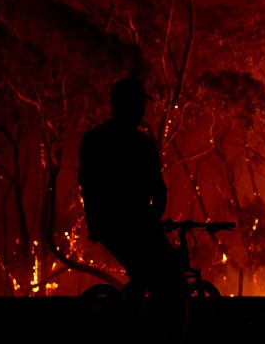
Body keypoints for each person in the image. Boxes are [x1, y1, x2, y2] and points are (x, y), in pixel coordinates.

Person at [78, 77, 186, 342]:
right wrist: (152, 221)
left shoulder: (93, 140)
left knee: (142, 274)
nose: (142, 111)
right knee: (172, 281)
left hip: (108, 225)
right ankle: (165, 337)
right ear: (133, 107)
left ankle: (130, 318)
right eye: (139, 105)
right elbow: (158, 192)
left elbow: (88, 187)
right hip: (136, 225)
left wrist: (95, 223)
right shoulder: (142, 145)